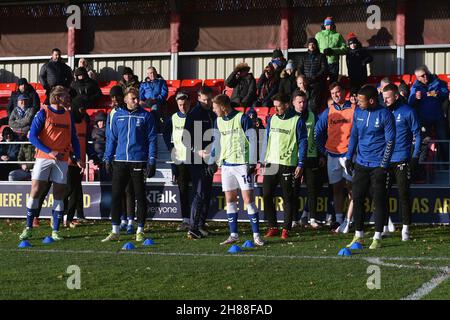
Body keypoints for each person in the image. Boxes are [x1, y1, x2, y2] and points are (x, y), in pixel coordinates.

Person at [18, 86, 82, 241]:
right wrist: (49, 151)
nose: (68, 98)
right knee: (36, 191)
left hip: (62, 160)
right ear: (57, 97)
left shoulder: (68, 115)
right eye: (65, 96)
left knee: (59, 194)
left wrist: (78, 157)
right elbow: (32, 136)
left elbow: (74, 137)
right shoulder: (43, 112)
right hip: (43, 158)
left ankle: (55, 230)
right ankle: (28, 227)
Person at [208, 94, 264, 246]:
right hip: (226, 166)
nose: (214, 110)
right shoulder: (218, 121)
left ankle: (256, 235)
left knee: (248, 201)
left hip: (242, 165)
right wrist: (211, 161)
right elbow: (216, 142)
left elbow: (253, 140)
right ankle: (233, 234)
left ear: (224, 107)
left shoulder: (242, 118)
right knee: (230, 200)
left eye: (215, 107)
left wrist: (252, 163)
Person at [103, 87, 157, 242]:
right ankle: (115, 230)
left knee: (140, 196)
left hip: (138, 161)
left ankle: (140, 229)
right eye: (132, 98)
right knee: (116, 195)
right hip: (120, 161)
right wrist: (108, 158)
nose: (135, 101)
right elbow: (111, 138)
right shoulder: (116, 115)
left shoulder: (146, 115)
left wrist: (151, 160)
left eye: (137, 98)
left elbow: (152, 139)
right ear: (125, 99)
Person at [345, 85, 396, 250]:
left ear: (372, 100)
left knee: (378, 200)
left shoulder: (385, 115)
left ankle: (377, 236)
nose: (358, 102)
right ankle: (358, 236)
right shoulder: (358, 112)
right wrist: (348, 156)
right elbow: (354, 135)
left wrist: (383, 165)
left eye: (361, 100)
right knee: (357, 198)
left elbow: (390, 141)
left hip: (378, 166)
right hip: (361, 163)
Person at [261, 93, 307, 239]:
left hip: (288, 164)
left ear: (286, 105)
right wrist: (263, 159)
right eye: (274, 106)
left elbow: (303, 143)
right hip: (271, 163)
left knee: (288, 197)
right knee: (267, 195)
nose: (275, 109)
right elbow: (266, 139)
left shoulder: (297, 120)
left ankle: (286, 228)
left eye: (278, 106)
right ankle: (273, 226)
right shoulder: (272, 119)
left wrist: (301, 163)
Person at [382, 84, 421, 241]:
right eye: (383, 98)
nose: (384, 101)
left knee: (403, 195)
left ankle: (406, 229)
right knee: (381, 195)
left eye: (388, 98)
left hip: (402, 159)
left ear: (396, 96)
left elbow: (417, 134)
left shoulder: (408, 111)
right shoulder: (382, 112)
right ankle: (384, 226)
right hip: (384, 161)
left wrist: (415, 157)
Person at [315, 82, 355, 231]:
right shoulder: (329, 111)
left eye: (337, 92)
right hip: (332, 155)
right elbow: (317, 132)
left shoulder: (353, 109)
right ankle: (338, 220)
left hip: (348, 155)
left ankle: (350, 219)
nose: (336, 95)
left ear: (344, 92)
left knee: (351, 188)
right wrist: (324, 151)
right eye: (332, 94)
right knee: (337, 188)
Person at [183, 86, 216, 239]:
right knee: (200, 192)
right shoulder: (194, 114)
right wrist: (198, 151)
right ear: (199, 99)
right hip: (195, 159)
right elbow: (185, 139)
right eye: (204, 100)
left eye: (209, 99)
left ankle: (201, 224)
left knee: (207, 193)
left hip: (209, 159)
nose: (207, 102)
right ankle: (193, 227)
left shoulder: (212, 113)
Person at [64, 96, 100, 228]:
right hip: (69, 161)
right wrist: (73, 156)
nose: (83, 111)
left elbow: (86, 141)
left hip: (81, 162)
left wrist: (92, 155)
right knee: (69, 190)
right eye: (81, 109)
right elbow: (65, 142)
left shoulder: (85, 121)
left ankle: (70, 218)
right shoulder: (68, 120)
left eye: (85, 109)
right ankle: (59, 215)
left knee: (75, 191)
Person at [105, 86, 136, 233]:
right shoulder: (112, 113)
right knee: (119, 190)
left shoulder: (132, 112)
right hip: (118, 157)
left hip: (131, 157)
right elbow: (110, 136)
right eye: (112, 97)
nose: (114, 99)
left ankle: (131, 220)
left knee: (130, 190)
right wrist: (108, 157)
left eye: (116, 96)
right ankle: (122, 218)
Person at [292, 90, 324, 228]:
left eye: (304, 101)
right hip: (294, 159)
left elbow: (319, 136)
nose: (302, 104)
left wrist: (321, 154)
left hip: (311, 157)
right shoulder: (289, 117)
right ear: (293, 102)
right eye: (299, 102)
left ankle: (312, 219)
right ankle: (293, 219)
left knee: (312, 189)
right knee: (294, 190)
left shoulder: (312, 116)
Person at [163, 92, 192, 231]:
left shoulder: (195, 116)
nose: (183, 107)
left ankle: (198, 220)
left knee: (198, 191)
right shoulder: (173, 118)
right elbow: (166, 134)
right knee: (183, 191)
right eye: (180, 105)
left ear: (189, 103)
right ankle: (185, 219)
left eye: (185, 104)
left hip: (196, 160)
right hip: (180, 160)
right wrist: (171, 149)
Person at [408, 65, 449, 162]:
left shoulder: (437, 82)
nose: (425, 77)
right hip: (424, 119)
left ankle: (446, 164)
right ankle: (422, 166)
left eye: (426, 74)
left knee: (443, 141)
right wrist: (415, 97)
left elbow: (446, 93)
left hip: (438, 117)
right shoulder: (415, 87)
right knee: (424, 142)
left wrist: (437, 93)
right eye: (422, 76)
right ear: (417, 77)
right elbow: (410, 102)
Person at [297, 38, 328, 114]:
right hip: (305, 83)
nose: (312, 46)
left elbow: (324, 69)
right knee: (303, 101)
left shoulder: (321, 56)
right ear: (308, 46)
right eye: (310, 44)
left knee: (313, 104)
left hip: (317, 84)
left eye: (313, 44)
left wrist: (314, 78)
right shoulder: (303, 57)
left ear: (316, 45)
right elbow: (300, 68)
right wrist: (303, 79)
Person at [315, 17, 347, 83]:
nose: (329, 26)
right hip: (321, 63)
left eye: (330, 24)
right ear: (324, 25)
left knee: (333, 83)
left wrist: (333, 50)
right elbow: (315, 48)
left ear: (333, 25)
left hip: (333, 63)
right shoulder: (319, 35)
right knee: (321, 82)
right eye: (327, 24)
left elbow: (344, 49)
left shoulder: (338, 35)